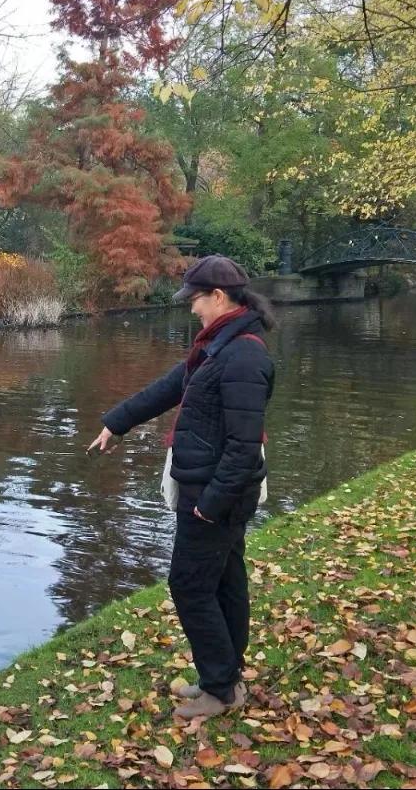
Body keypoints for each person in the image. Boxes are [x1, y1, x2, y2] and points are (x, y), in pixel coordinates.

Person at [87, 255, 275, 720]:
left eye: (195, 301)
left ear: (218, 297)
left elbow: (243, 446)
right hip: (209, 490)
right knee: (226, 579)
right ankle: (226, 676)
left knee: (189, 585)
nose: (191, 309)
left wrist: (209, 506)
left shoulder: (243, 355)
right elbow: (170, 387)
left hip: (215, 495)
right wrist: (116, 423)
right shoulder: (217, 347)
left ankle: (219, 691)